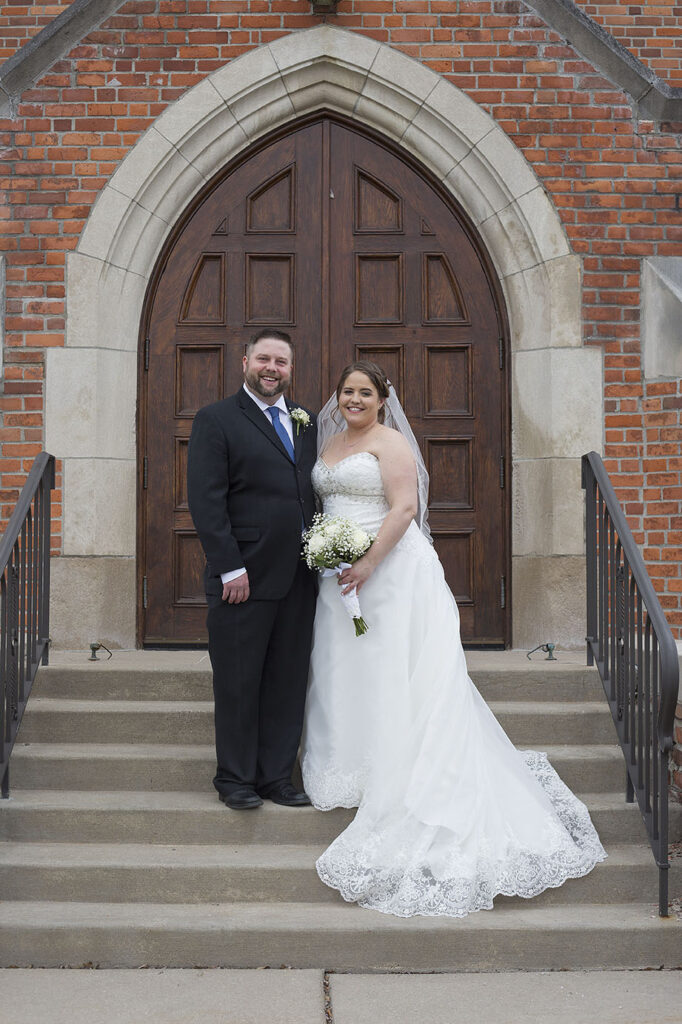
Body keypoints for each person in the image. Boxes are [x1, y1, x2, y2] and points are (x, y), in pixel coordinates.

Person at [301, 360, 606, 917]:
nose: (354, 399)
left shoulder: (390, 443)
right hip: (336, 575)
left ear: (381, 399)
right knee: (346, 668)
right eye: (347, 391)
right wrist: (331, 552)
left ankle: (398, 767)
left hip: (388, 571)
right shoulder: (330, 442)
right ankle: (350, 763)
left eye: (364, 392)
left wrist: (367, 562)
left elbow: (405, 508)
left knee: (392, 665)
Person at [187, 330, 317, 810]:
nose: (272, 368)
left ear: (290, 369)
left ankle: (275, 778)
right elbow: (206, 501)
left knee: (286, 682)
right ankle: (235, 780)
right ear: (245, 362)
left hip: (300, 579)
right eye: (263, 358)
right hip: (242, 579)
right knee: (239, 682)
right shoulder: (216, 420)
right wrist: (228, 569)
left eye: (281, 361)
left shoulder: (305, 425)